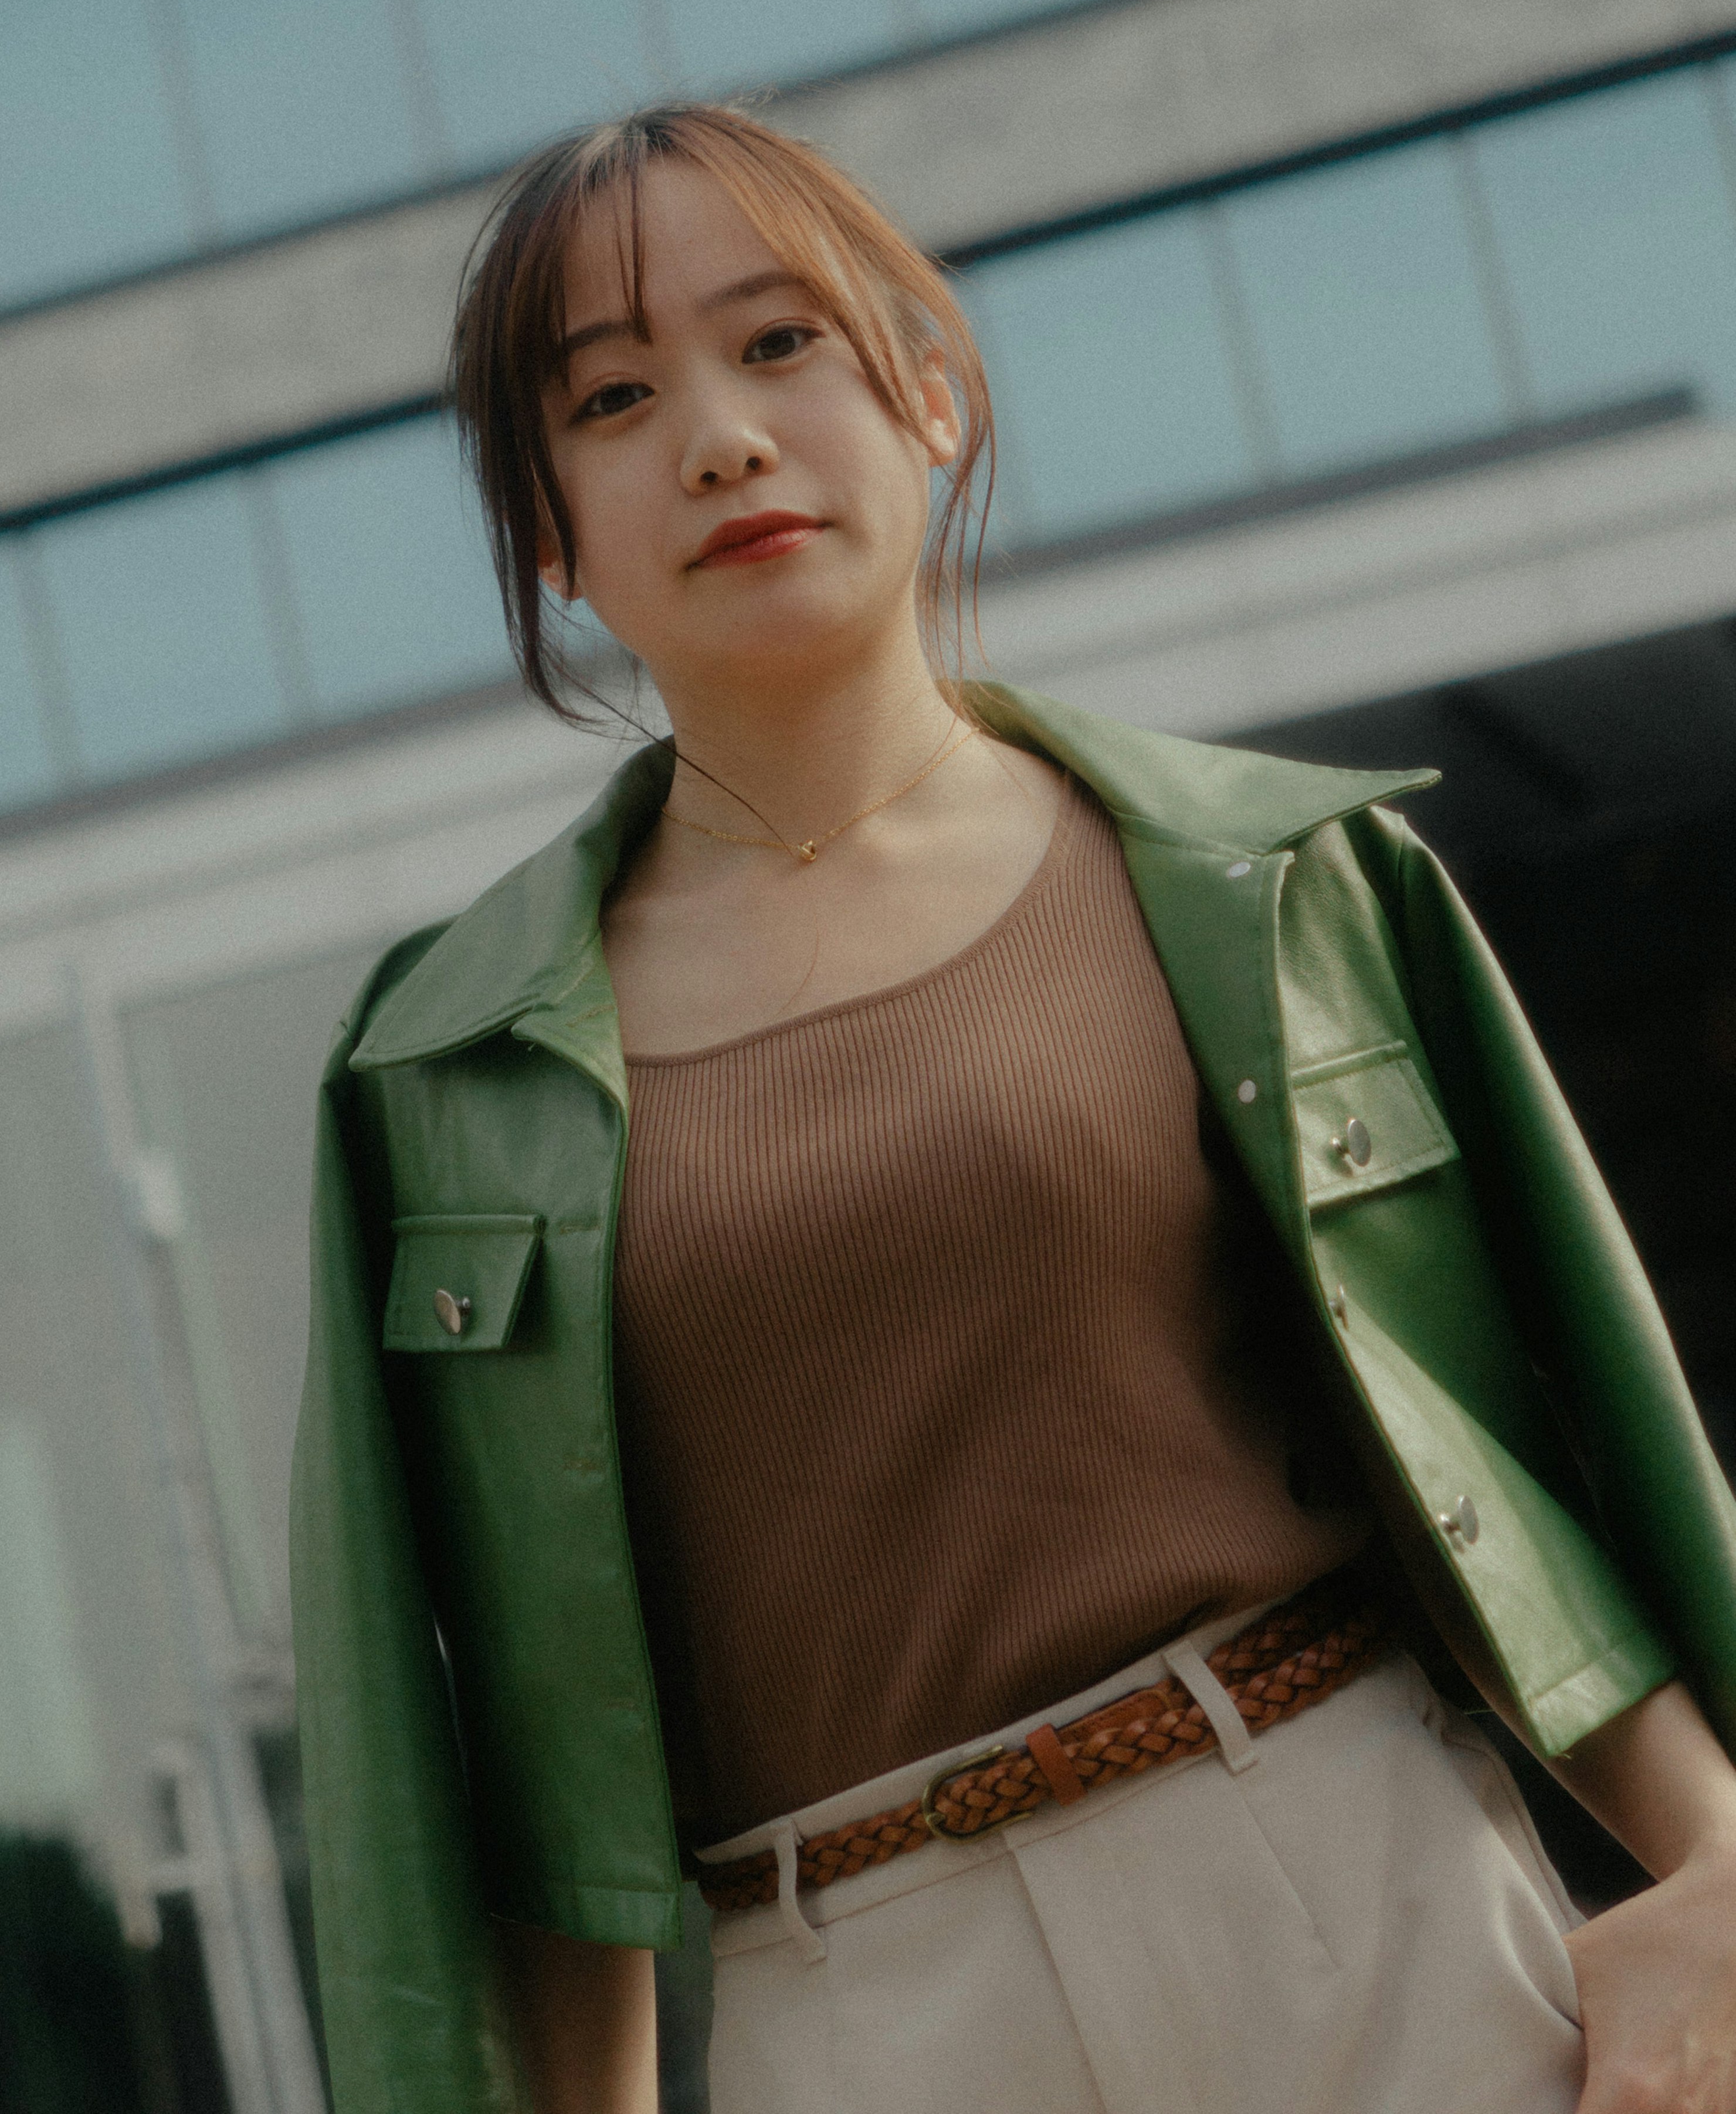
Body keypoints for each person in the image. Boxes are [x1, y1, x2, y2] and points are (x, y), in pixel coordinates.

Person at [292, 103, 1736, 2114]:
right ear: (551, 533)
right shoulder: (438, 1079)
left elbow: (1529, 1443)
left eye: (782, 342)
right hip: (857, 2014)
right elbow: (511, 1780)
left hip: (1359, 1901)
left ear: (935, 398)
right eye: (615, 397)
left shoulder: (1271, 883)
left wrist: (1726, 1868)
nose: (718, 436)